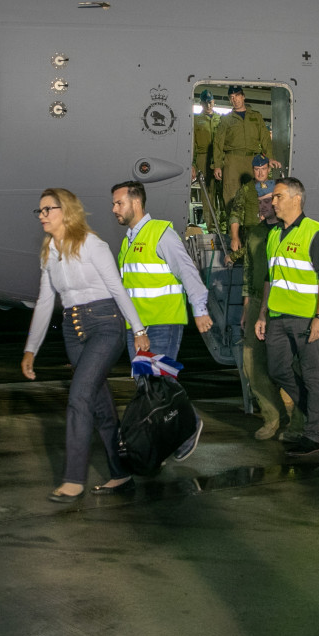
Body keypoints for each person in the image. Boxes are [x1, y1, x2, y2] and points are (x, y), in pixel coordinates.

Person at [21, 188, 149, 502]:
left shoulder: (93, 245)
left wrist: (138, 330)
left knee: (79, 396)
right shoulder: (50, 251)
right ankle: (121, 473)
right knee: (99, 405)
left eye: (47, 209)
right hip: (72, 330)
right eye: (39, 211)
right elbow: (45, 301)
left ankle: (73, 480)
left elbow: (117, 289)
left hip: (105, 325)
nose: (42, 216)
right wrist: (31, 349)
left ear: (66, 211)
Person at [110, 181, 212, 462]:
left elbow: (187, 270)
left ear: (136, 203)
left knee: (160, 383)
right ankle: (165, 439)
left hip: (162, 323)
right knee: (146, 386)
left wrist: (200, 309)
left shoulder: (161, 233)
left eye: (119, 203)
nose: (114, 209)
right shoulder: (128, 242)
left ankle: (189, 426)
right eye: (114, 203)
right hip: (139, 329)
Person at [254, 178, 319, 457]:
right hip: (277, 316)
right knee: (277, 370)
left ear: (296, 199)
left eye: (278, 196)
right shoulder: (274, 234)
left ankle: (313, 435)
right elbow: (270, 277)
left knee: (312, 374)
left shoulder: (315, 232)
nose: (272, 201)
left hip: (305, 317)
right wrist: (262, 314)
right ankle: (318, 411)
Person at [227, 157, 290, 439]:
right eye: (262, 202)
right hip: (256, 302)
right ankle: (273, 416)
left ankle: (299, 420)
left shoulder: (290, 233)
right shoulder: (255, 235)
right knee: (252, 362)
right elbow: (249, 273)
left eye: (269, 201)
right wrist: (246, 307)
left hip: (284, 303)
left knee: (286, 365)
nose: (264, 206)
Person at [211, 86, 279, 224]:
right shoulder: (226, 119)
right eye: (231, 97)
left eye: (237, 96)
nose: (234, 99)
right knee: (231, 194)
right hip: (232, 160)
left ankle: (255, 226)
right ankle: (234, 229)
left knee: (256, 192)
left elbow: (265, 138)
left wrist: (269, 157)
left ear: (243, 96)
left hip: (253, 161)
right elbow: (218, 143)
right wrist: (217, 165)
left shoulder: (256, 116)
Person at [192, 89, 223, 225]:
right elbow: (192, 144)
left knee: (223, 192)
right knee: (207, 194)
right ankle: (212, 226)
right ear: (201, 103)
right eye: (205, 103)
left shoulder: (221, 119)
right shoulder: (195, 120)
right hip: (203, 158)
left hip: (220, 159)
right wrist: (192, 164)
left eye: (210, 102)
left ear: (214, 102)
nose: (208, 105)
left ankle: (224, 226)